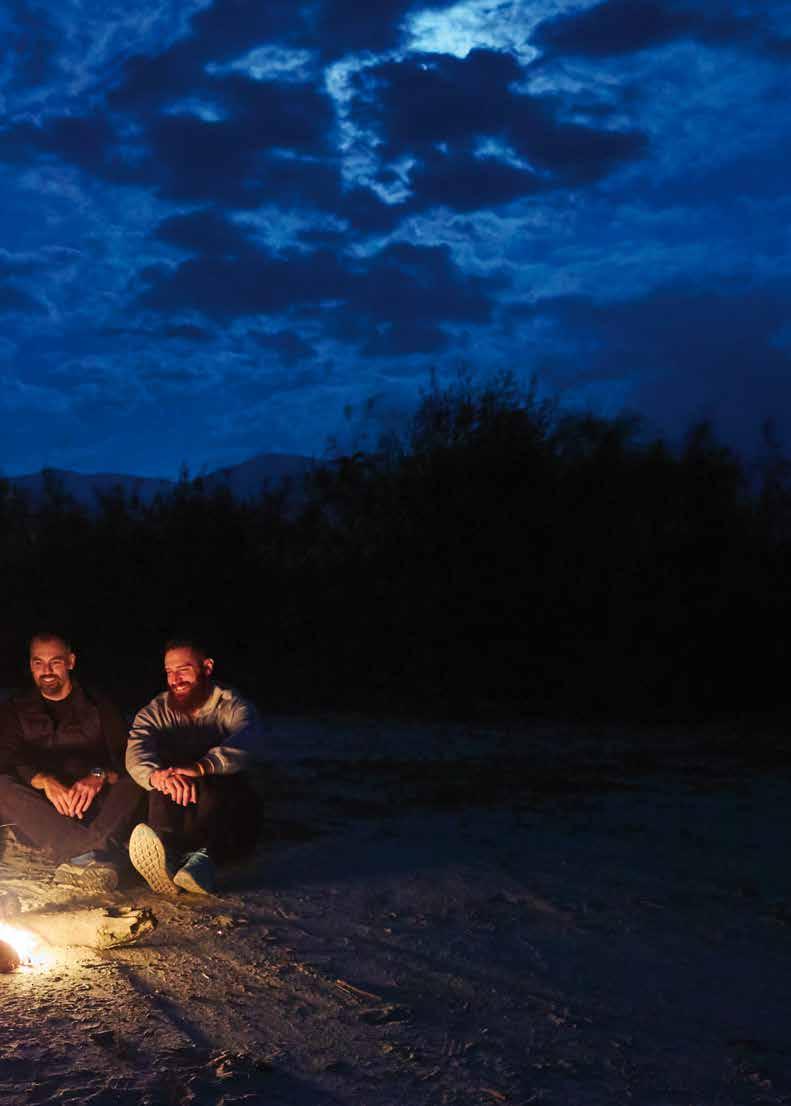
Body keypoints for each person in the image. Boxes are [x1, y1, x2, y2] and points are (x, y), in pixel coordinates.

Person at [0, 632, 142, 891]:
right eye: (38, 663)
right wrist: (43, 780)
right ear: (30, 664)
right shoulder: (14, 709)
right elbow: (8, 759)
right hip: (44, 812)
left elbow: (125, 758)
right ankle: (93, 853)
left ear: (70, 661)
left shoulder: (99, 704)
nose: (46, 671)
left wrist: (97, 776)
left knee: (139, 778)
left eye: (55, 662)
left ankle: (80, 854)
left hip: (96, 804)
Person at [125, 638, 264, 896]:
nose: (175, 679)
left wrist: (202, 767)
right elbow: (137, 749)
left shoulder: (232, 705)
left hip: (222, 804)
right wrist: (158, 776)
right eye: (169, 672)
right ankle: (165, 854)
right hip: (178, 804)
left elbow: (249, 739)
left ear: (207, 667)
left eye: (183, 670)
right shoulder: (155, 711)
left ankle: (204, 861)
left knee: (230, 783)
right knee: (163, 778)